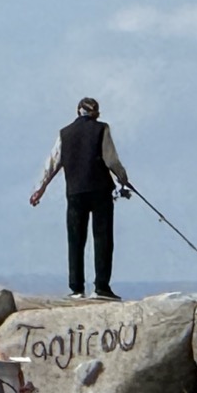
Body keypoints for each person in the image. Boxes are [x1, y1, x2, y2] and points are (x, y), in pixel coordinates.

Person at [29, 97, 132, 300]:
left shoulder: (65, 133)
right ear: (96, 113)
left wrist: (40, 189)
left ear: (78, 112)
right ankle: (101, 287)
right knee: (102, 238)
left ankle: (76, 288)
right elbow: (110, 159)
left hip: (75, 191)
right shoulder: (102, 129)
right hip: (100, 189)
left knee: (76, 239)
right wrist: (123, 178)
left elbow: (53, 162)